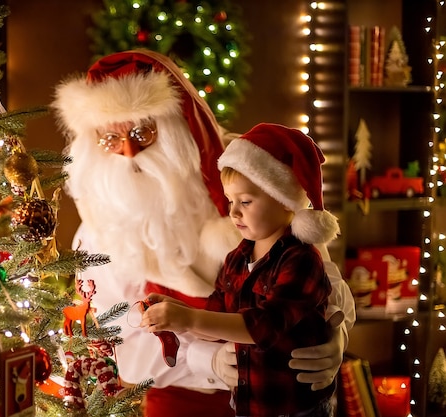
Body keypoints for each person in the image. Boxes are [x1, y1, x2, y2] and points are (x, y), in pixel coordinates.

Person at [51, 49, 355, 417]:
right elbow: (114, 341)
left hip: (287, 394)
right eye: (109, 139)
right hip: (185, 404)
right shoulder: (100, 233)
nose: (128, 152)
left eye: (141, 132)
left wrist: (335, 331)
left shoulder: (240, 178)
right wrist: (205, 360)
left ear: (176, 127)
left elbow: (319, 271)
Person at [142, 123, 343, 417]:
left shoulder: (301, 261)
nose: (233, 212)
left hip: (294, 406)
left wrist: (189, 318)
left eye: (245, 202)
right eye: (230, 201)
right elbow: (219, 316)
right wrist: (178, 313)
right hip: (250, 401)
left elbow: (264, 326)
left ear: (283, 199)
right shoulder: (238, 257)